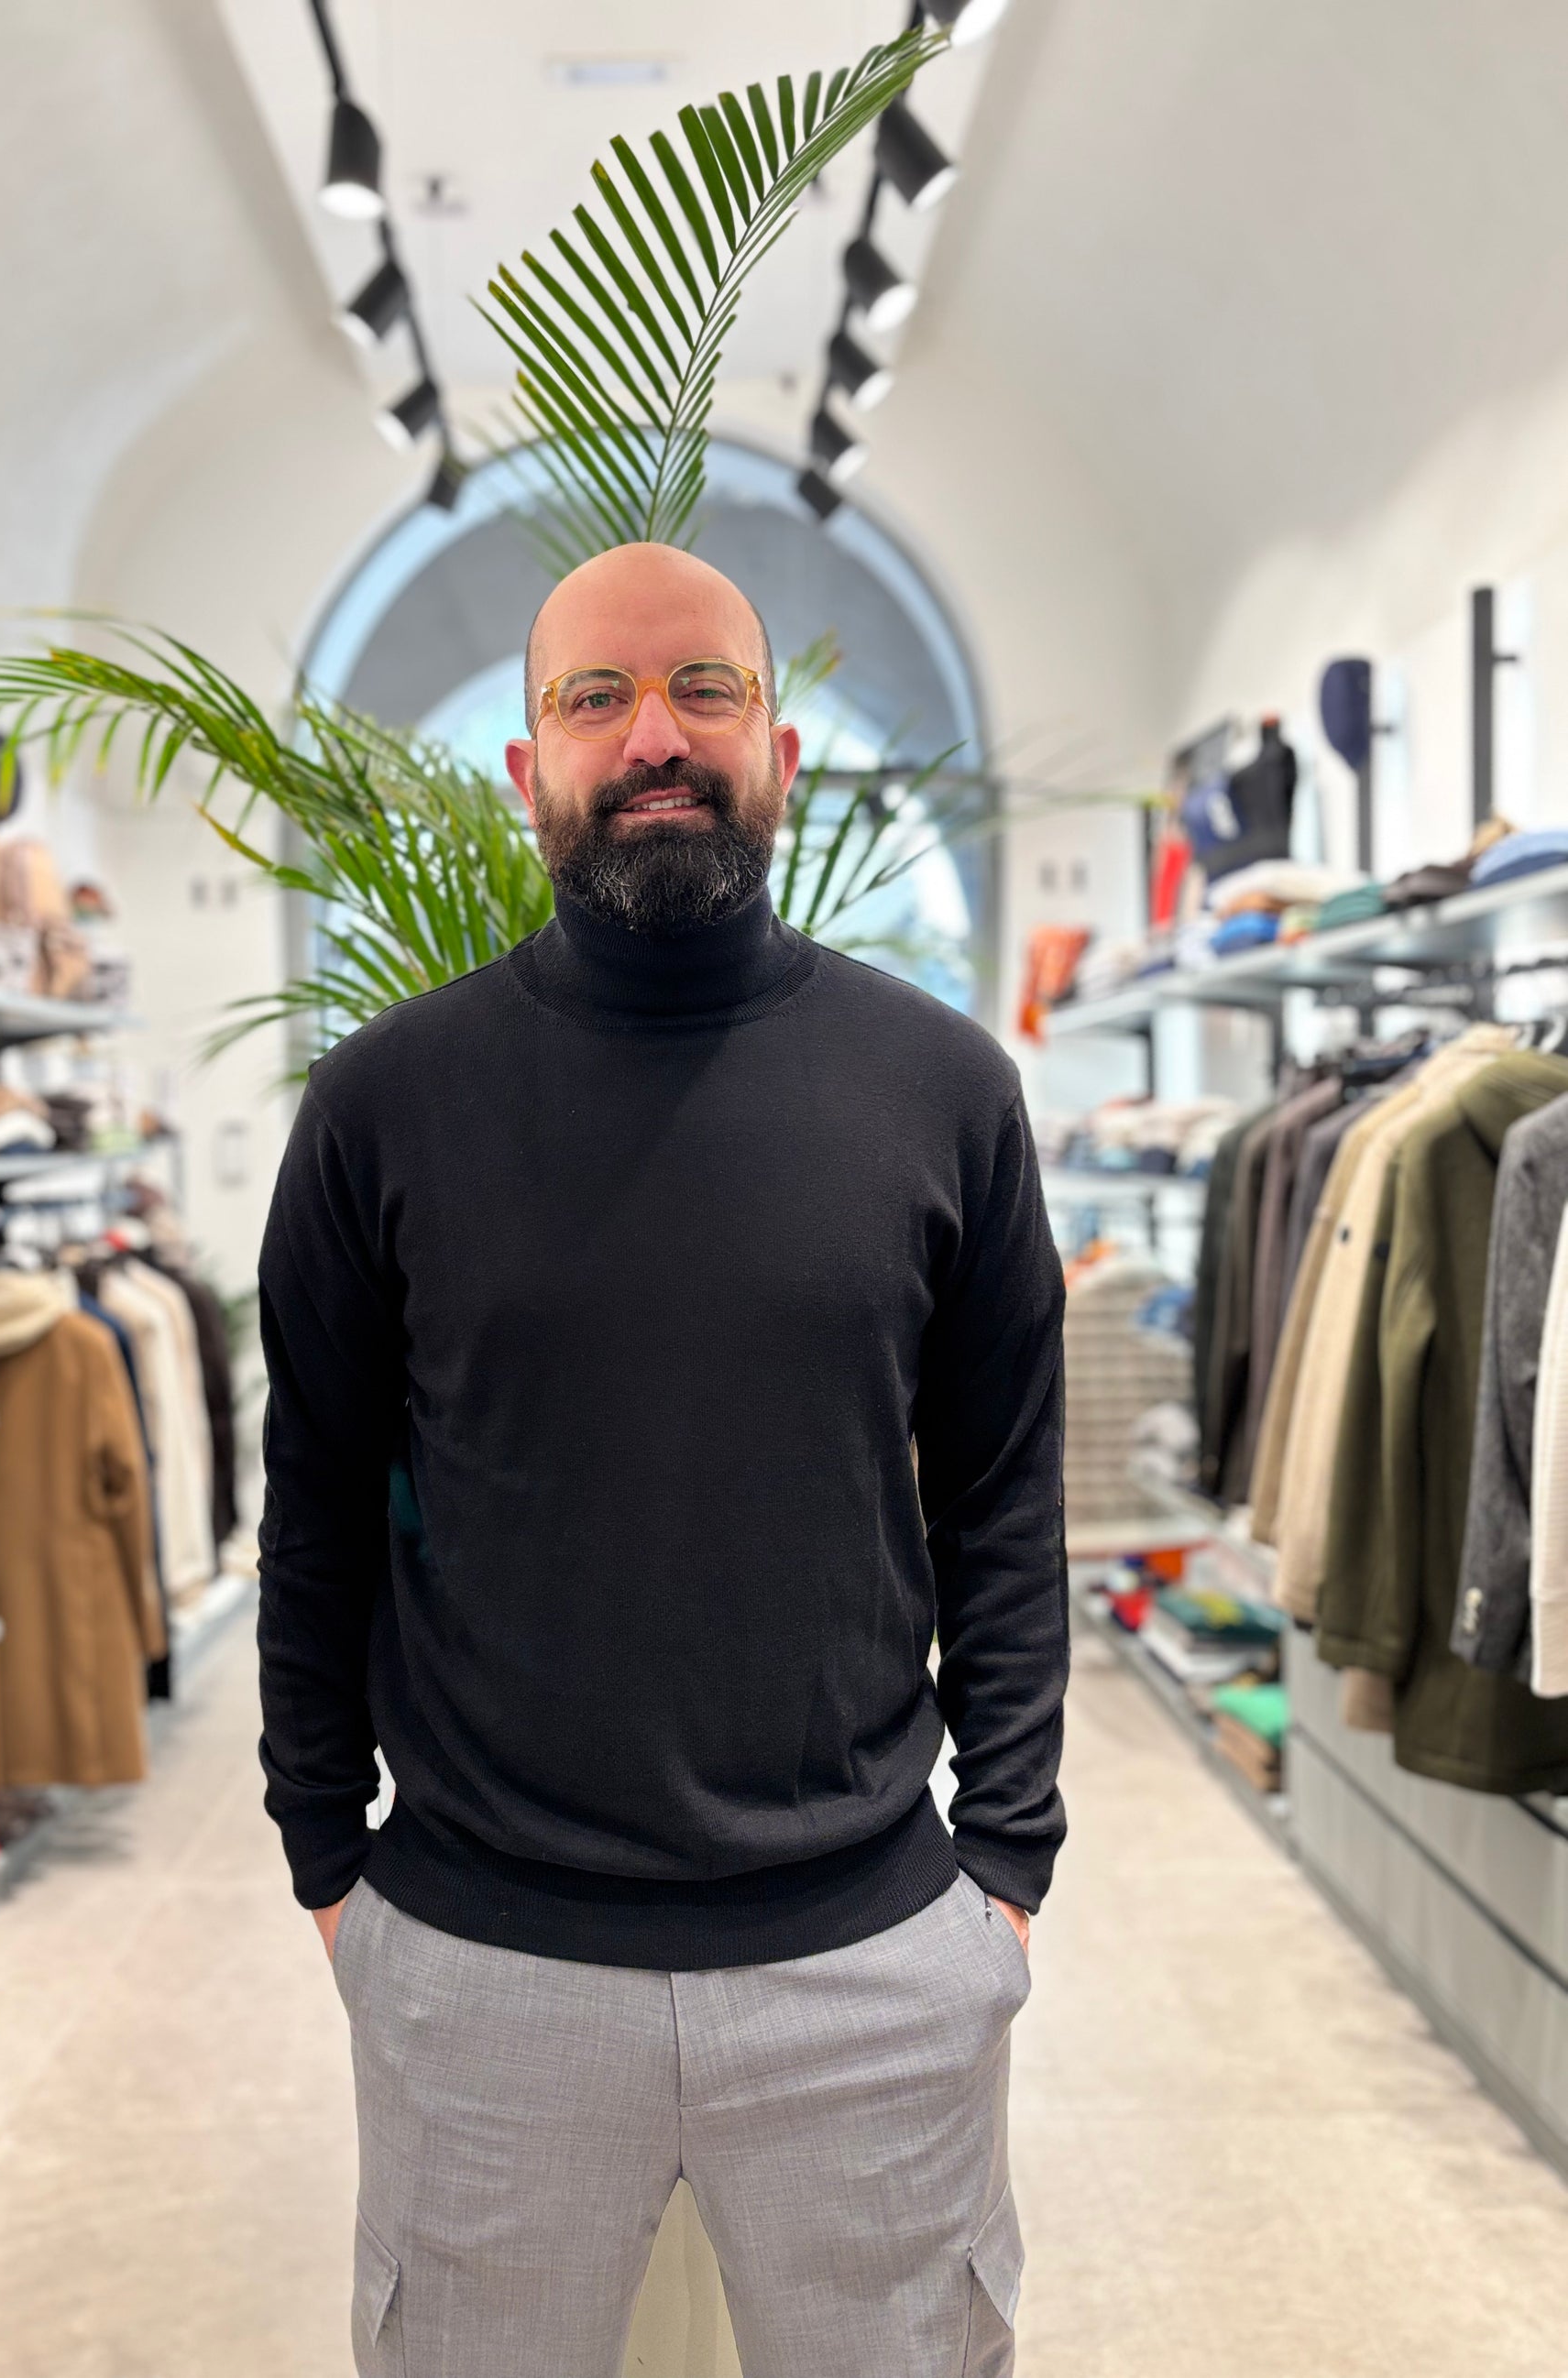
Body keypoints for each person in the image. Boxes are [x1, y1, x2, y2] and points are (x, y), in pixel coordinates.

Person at [256, 541, 1068, 2378]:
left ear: (778, 747)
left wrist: (1003, 1859)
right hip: (480, 1967)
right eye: (593, 698)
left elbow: (1003, 1498)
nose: (653, 737)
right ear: (527, 765)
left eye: (704, 687)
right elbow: (316, 1510)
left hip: (871, 1964)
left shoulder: (943, 1090)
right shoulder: (383, 1104)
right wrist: (326, 1855)